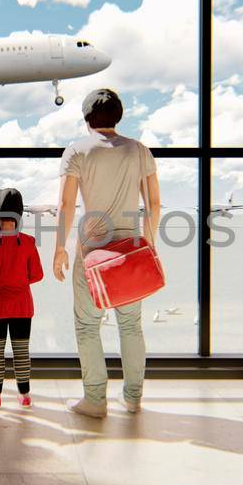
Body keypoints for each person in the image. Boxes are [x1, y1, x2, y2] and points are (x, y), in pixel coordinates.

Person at [52, 88, 160, 417]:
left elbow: (66, 204)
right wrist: (149, 243)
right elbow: (153, 203)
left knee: (87, 326)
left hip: (93, 253)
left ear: (87, 119)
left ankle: (95, 401)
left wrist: (59, 247)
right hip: (130, 252)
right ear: (119, 116)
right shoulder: (139, 150)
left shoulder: (77, 151)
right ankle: (133, 397)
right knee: (131, 326)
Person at [0, 187, 44, 408]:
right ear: (20, 215)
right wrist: (19, 283)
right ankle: (24, 395)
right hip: (22, 304)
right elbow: (38, 274)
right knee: (22, 351)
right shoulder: (29, 242)